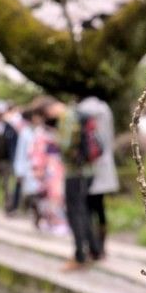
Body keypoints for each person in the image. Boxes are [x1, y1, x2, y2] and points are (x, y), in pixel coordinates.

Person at [61, 93, 116, 267]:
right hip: (104, 165)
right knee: (99, 209)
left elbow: (67, 143)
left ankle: (89, 250)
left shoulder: (80, 112)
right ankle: (100, 248)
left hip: (85, 168)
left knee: (84, 210)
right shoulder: (105, 110)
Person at [33, 102, 68, 234]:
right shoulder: (41, 132)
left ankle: (59, 221)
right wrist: (38, 167)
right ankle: (52, 221)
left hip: (59, 164)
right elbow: (37, 151)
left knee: (58, 195)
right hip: (48, 165)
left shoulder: (60, 128)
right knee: (50, 195)